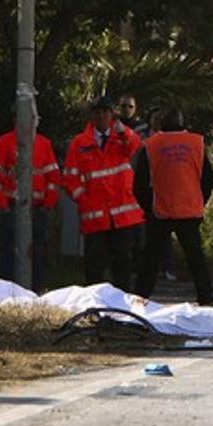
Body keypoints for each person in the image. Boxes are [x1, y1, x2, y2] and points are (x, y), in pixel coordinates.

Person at [133, 108, 213, 304]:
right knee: (195, 257)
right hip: (190, 210)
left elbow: (139, 185)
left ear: (160, 125)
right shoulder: (197, 143)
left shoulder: (150, 145)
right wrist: (199, 201)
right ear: (183, 124)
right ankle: (206, 297)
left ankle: (139, 298)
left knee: (151, 259)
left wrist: (149, 206)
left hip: (159, 211)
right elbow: (209, 181)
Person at [62, 96, 145, 291]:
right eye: (97, 112)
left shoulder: (121, 139)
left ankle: (123, 307)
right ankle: (95, 307)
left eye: (105, 112)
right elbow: (69, 178)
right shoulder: (80, 143)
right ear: (91, 115)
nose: (101, 116)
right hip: (95, 216)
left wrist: (121, 129)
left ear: (112, 115)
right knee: (94, 266)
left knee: (123, 264)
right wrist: (85, 200)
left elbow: (135, 145)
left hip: (122, 216)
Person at [0, 122, 61, 292]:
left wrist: (47, 205)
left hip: (37, 209)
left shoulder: (43, 144)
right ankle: (7, 293)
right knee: (10, 253)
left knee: (36, 254)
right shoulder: (3, 143)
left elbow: (53, 176)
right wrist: (3, 205)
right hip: (12, 207)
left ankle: (34, 292)